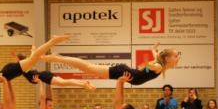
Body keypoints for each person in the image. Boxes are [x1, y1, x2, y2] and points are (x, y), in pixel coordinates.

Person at [43, 42, 178, 87]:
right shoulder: (159, 67)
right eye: (176, 56)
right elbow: (154, 66)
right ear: (167, 59)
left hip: (125, 72)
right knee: (88, 68)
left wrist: (153, 51)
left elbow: (157, 58)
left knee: (88, 68)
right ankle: (59, 58)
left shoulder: (160, 63)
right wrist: (148, 63)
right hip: (124, 72)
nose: (178, 59)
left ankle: (59, 58)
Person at [0, 35, 69, 86]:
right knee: (32, 60)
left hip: (9, 71)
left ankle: (52, 41)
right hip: (8, 71)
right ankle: (48, 45)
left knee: (33, 60)